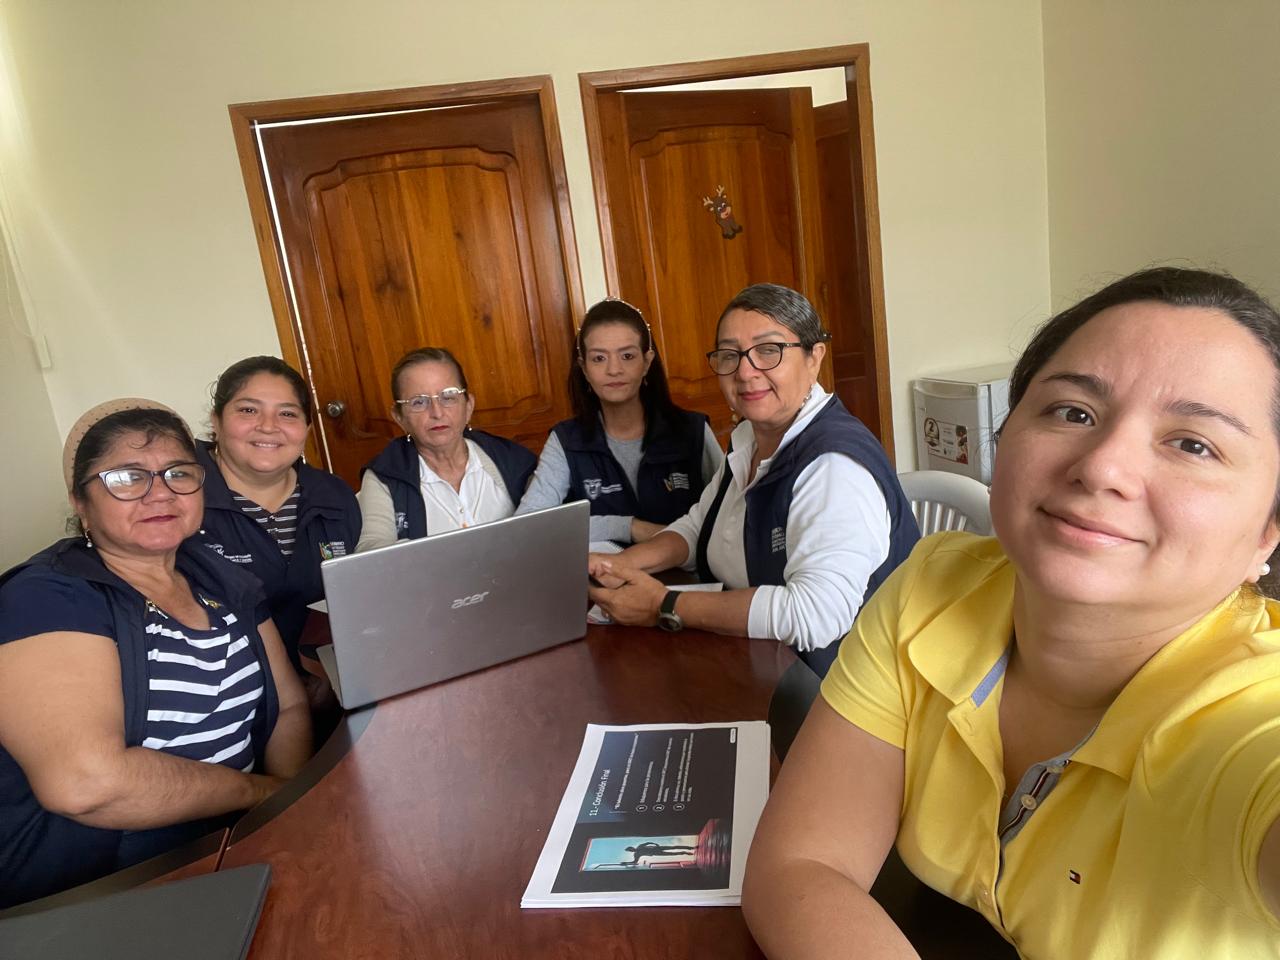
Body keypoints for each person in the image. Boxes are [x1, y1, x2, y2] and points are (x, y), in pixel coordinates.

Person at [742, 267, 1280, 958]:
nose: (1103, 467)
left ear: (1267, 535)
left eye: (1193, 444)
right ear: (1004, 439)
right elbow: (803, 863)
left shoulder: (1250, 717)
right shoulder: (934, 586)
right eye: (1073, 412)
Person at [0, 399, 311, 907]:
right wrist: (261, 795)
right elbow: (86, 783)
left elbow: (289, 705)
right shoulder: (47, 598)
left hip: (242, 846)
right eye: (127, 478)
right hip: (111, 888)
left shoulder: (222, 579)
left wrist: (292, 812)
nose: (160, 492)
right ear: (81, 502)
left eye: (178, 473)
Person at [588, 283, 918, 675]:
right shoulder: (749, 439)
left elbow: (815, 616)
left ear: (814, 358)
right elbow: (698, 528)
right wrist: (617, 566)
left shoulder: (834, 466)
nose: (745, 372)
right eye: (730, 355)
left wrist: (664, 604)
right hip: (759, 661)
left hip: (849, 684)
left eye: (768, 350)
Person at [195, 357, 360, 672]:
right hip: (230, 686)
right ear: (216, 420)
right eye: (248, 410)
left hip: (331, 675)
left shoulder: (334, 496)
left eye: (287, 413)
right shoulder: (179, 500)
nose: (268, 426)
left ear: (307, 429)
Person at [515, 298, 723, 544]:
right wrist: (627, 527)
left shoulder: (692, 431)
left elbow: (732, 515)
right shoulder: (566, 440)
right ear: (584, 368)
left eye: (627, 356)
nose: (614, 369)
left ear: (647, 362)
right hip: (604, 569)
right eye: (599, 358)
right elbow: (528, 525)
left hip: (688, 568)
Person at [356, 347, 535, 551]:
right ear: (399, 417)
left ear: (468, 406)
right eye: (419, 402)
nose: (437, 413)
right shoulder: (384, 477)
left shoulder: (513, 459)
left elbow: (546, 531)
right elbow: (371, 551)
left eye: (448, 397)